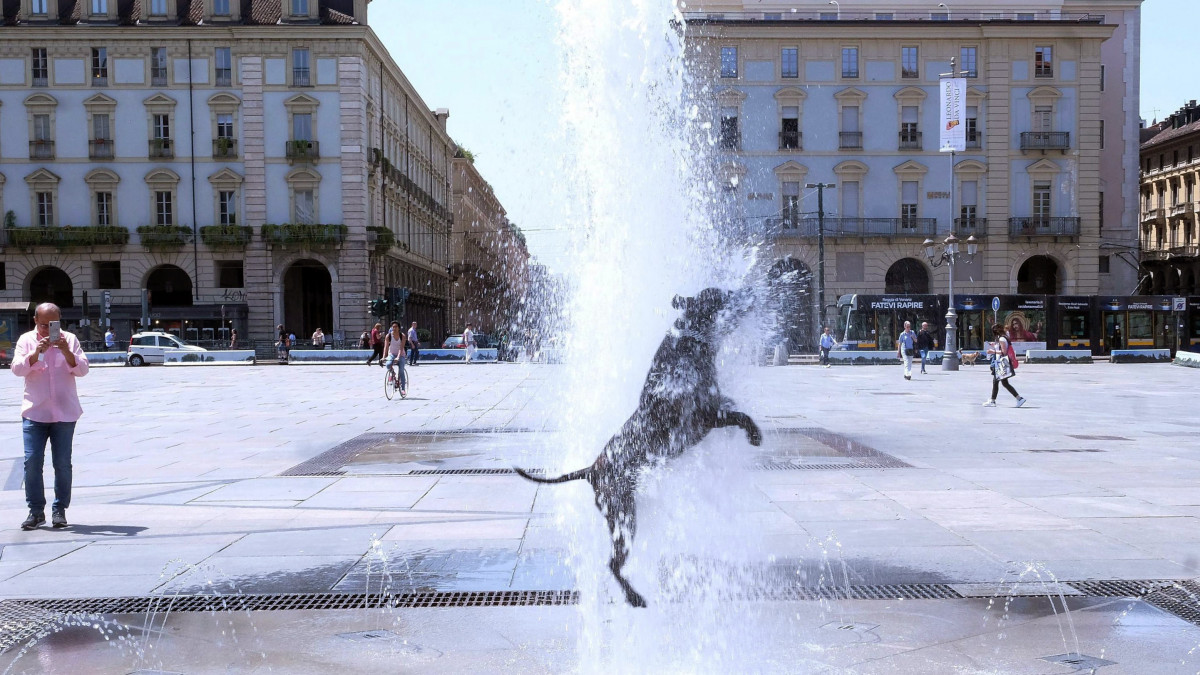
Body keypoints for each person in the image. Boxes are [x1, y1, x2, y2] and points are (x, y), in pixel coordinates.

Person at [13, 303, 89, 530]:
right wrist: (36, 352)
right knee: (32, 462)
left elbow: (83, 369)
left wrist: (66, 350)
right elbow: (17, 369)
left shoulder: (70, 339)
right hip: (35, 412)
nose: (48, 330)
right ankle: (36, 512)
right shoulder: (26, 340)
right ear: (35, 320)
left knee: (63, 464)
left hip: (65, 413)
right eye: (44, 325)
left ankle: (59, 510)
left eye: (53, 324)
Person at [984, 323, 1026, 408]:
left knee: (996, 381)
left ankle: (993, 401)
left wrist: (992, 351)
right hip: (1002, 363)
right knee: (1004, 383)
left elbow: (1004, 352)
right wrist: (995, 345)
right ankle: (1019, 398)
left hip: (1001, 363)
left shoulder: (1002, 339)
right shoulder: (1004, 337)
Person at [383, 321, 409, 397]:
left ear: (399, 328)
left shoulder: (402, 336)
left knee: (401, 370)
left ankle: (403, 389)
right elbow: (386, 347)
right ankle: (393, 373)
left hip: (401, 355)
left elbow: (401, 348)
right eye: (393, 327)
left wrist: (398, 357)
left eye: (395, 327)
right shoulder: (388, 336)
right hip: (392, 354)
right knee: (388, 365)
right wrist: (384, 356)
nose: (394, 328)